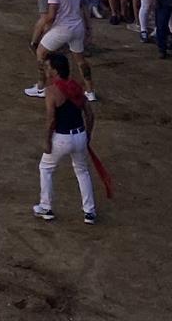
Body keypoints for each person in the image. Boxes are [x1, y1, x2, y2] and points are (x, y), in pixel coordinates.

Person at [32, 53, 98, 224]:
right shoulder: (76, 86)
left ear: (55, 70)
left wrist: (47, 140)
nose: (46, 71)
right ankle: (89, 212)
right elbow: (90, 115)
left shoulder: (52, 91)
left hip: (61, 138)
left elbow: (51, 119)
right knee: (82, 171)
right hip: (80, 135)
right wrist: (87, 135)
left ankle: (46, 207)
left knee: (45, 168)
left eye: (48, 68)